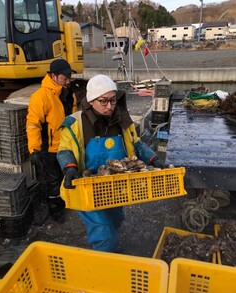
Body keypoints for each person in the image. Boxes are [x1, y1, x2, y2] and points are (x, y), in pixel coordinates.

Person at [57, 74, 164, 252]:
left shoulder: (122, 120)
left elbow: (136, 143)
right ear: (91, 100)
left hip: (115, 187)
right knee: (103, 231)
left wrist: (154, 159)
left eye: (113, 100)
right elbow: (65, 149)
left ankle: (111, 244)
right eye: (103, 101)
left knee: (116, 218)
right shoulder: (75, 123)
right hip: (88, 189)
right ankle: (106, 261)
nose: (110, 106)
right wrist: (69, 168)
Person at [26, 58, 77, 223]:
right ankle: (56, 210)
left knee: (68, 176)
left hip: (68, 146)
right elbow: (33, 124)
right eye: (65, 78)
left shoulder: (69, 94)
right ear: (53, 76)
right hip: (50, 149)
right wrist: (34, 150)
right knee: (53, 182)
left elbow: (74, 118)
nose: (68, 81)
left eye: (69, 77)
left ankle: (69, 202)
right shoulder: (41, 96)